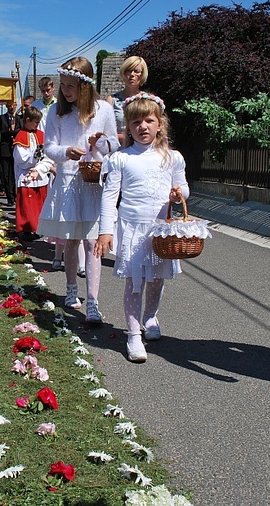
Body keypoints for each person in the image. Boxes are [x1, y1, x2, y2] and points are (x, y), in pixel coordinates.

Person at [95, 92, 189, 363]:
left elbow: (184, 187)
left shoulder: (172, 158)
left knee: (157, 278)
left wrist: (177, 193)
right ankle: (133, 333)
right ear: (127, 126)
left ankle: (150, 316)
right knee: (135, 281)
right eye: (136, 122)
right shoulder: (120, 158)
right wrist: (105, 231)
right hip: (133, 229)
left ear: (160, 124)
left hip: (160, 231)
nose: (143, 126)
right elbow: (110, 196)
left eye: (149, 120)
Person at [37, 56, 119, 324]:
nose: (65, 90)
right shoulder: (56, 112)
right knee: (71, 239)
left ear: (85, 86)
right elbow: (49, 147)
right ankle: (71, 289)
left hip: (93, 182)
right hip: (69, 180)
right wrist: (66, 152)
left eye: (71, 86)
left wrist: (101, 143)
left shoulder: (103, 110)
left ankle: (93, 302)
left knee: (94, 241)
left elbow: (113, 145)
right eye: (63, 85)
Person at [12, 105, 52, 240]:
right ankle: (27, 229)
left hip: (40, 174)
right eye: (35, 122)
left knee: (39, 202)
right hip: (26, 175)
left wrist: (41, 162)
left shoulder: (40, 134)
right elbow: (20, 159)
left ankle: (39, 227)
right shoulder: (20, 136)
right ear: (27, 120)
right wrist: (35, 156)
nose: (37, 125)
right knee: (27, 205)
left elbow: (47, 154)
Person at [105, 56, 148, 144]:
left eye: (136, 71)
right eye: (128, 70)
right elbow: (105, 130)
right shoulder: (111, 100)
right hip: (118, 149)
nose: (132, 74)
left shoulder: (148, 99)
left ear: (142, 74)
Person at [0, 101, 19, 206]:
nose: (11, 108)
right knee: (6, 174)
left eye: (13, 106)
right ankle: (9, 197)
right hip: (5, 149)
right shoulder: (1, 118)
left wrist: (14, 131)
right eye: (9, 106)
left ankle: (15, 196)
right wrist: (9, 131)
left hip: (15, 149)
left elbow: (20, 130)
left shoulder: (18, 118)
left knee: (14, 174)